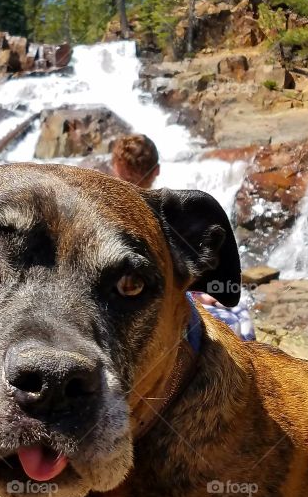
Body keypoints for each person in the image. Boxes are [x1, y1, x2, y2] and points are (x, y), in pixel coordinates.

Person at [109, 134, 256, 342]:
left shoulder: (106, 215)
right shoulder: (169, 215)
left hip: (127, 304)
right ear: (157, 170)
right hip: (158, 312)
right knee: (239, 318)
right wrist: (202, 295)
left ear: (114, 169)